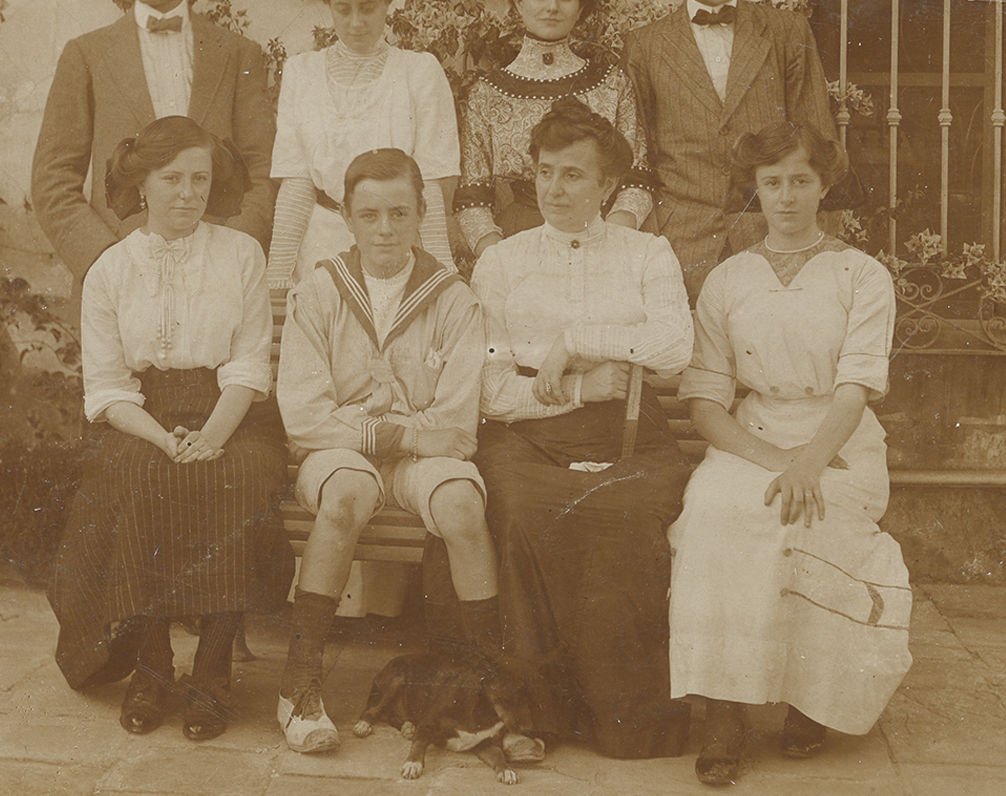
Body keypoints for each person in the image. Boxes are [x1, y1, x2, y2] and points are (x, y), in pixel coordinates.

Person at [668, 122, 912, 785]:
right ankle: (725, 709)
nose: (786, 196)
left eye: (801, 181)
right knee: (714, 512)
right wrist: (779, 461)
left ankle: (813, 696)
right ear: (755, 188)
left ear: (824, 186)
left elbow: (856, 386)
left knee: (811, 514)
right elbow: (706, 402)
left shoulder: (861, 274)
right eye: (772, 182)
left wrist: (809, 463)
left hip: (839, 436)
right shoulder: (728, 278)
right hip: (754, 436)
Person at [48, 116, 293, 742]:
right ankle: (153, 667)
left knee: (239, 475)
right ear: (142, 185)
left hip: (232, 411)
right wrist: (161, 438)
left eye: (200, 179)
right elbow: (107, 389)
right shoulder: (109, 271)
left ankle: (212, 671)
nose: (188, 193)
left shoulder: (241, 255)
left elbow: (248, 365)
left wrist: (212, 436)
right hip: (141, 416)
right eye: (172, 178)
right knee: (137, 475)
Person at [470, 97, 694, 759]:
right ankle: (530, 714)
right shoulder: (501, 262)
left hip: (630, 433)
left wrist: (575, 341)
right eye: (544, 172)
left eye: (573, 175)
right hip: (526, 433)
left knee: (624, 515)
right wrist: (575, 388)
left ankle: (626, 718)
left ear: (607, 185)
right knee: (521, 511)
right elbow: (491, 385)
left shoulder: (646, 253)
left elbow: (675, 347)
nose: (554, 189)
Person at [275, 149, 497, 755]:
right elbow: (305, 417)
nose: (385, 230)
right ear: (347, 217)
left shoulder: (452, 298)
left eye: (400, 213)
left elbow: (457, 428)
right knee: (347, 493)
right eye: (369, 215)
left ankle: (486, 683)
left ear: (423, 214)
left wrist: (394, 432)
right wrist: (392, 434)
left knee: (461, 504)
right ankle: (300, 680)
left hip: (416, 456)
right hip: (341, 453)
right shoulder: (320, 290)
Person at [32, 0, 278, 287]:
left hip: (216, 274)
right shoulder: (86, 54)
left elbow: (263, 168)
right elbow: (52, 179)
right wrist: (106, 261)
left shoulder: (237, 54)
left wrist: (232, 253)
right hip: (120, 274)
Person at [623, 0, 837, 297]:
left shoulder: (787, 32)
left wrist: (815, 243)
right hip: (680, 243)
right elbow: (640, 154)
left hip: (772, 236)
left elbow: (818, 144)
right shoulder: (645, 46)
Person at [266, 0, 458, 292]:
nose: (355, 23)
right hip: (320, 245)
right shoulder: (301, 72)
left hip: (396, 241)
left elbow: (431, 182)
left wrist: (441, 271)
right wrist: (277, 274)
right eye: (343, 9)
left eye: (368, 8)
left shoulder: (419, 71)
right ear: (329, 5)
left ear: (388, 3)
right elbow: (297, 182)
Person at [453, 0, 656, 257]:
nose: (552, 7)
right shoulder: (487, 94)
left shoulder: (612, 83)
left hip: (600, 237)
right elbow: (472, 197)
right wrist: (499, 259)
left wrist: (611, 243)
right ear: (518, 1)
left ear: (581, 5)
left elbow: (637, 178)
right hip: (518, 242)